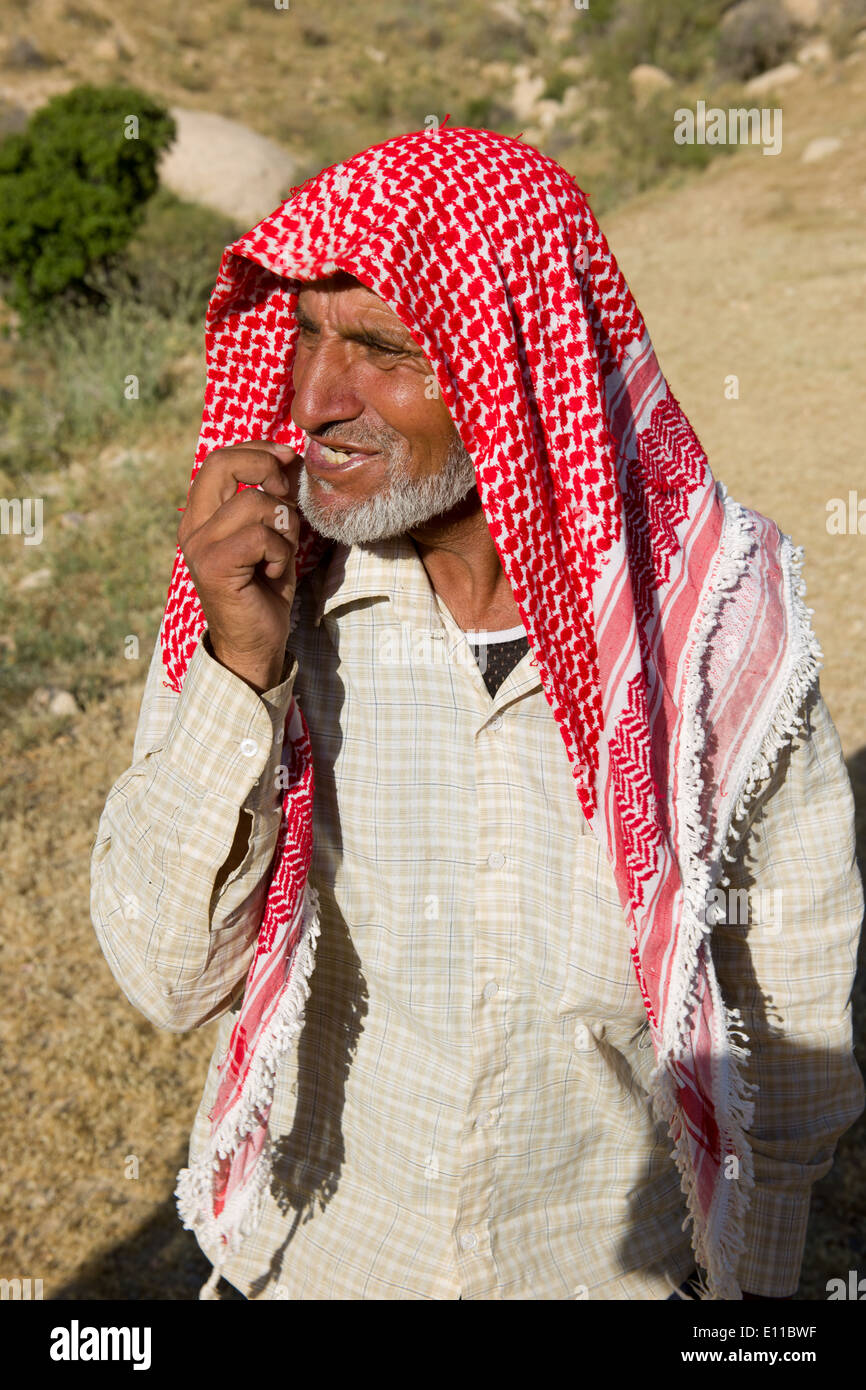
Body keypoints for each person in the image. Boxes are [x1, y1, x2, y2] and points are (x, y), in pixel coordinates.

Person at [90, 127, 864, 1301]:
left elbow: (787, 1006)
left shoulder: (707, 622)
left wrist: (752, 1301)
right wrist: (239, 673)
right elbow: (163, 977)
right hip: (315, 1268)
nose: (310, 401)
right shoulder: (266, 596)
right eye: (303, 333)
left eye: (380, 351)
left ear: (515, 370)